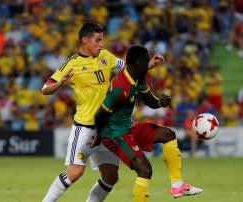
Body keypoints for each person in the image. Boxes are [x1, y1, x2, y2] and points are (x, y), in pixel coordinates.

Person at [41, 22, 164, 202]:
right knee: (75, 173)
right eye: (98, 40)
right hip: (85, 127)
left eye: (102, 40)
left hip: (107, 129)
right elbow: (46, 88)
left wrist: (149, 65)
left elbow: (128, 69)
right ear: (85, 40)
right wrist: (60, 84)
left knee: (111, 176)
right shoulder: (72, 63)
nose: (101, 44)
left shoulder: (106, 56)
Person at [93, 45, 202, 201]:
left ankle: (178, 185)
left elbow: (149, 100)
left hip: (128, 127)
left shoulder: (138, 75)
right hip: (115, 135)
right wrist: (98, 136)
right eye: (146, 60)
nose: (149, 63)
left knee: (168, 134)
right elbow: (100, 114)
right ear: (137, 63)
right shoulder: (120, 87)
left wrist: (160, 103)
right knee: (145, 170)